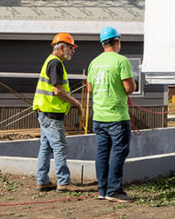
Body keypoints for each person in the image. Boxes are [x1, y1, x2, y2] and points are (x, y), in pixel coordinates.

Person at [87, 26, 137, 203]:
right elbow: (129, 88)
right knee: (119, 152)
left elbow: (90, 89)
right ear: (117, 41)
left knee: (102, 153)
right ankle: (114, 191)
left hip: (99, 116)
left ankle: (102, 189)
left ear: (102, 44)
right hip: (117, 117)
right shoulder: (121, 61)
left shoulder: (94, 63)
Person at [32, 33, 85, 192]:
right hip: (51, 113)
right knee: (60, 146)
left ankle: (42, 180)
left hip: (45, 111)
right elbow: (58, 91)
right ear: (61, 47)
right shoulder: (55, 64)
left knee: (46, 147)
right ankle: (63, 181)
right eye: (71, 47)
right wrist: (77, 104)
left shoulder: (51, 62)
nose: (73, 51)